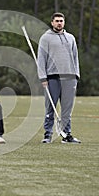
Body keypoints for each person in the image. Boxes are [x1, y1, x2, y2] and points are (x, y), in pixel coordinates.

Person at [37, 12, 81, 144]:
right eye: (56, 21)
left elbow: (75, 57)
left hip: (70, 77)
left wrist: (76, 75)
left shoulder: (70, 38)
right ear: (52, 22)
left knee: (67, 108)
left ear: (64, 22)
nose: (59, 23)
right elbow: (41, 59)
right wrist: (43, 78)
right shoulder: (46, 38)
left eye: (61, 21)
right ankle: (48, 134)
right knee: (51, 107)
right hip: (52, 78)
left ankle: (67, 135)